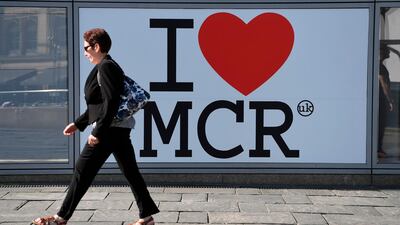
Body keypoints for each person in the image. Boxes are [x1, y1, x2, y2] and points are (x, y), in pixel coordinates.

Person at [31, 28, 159, 225]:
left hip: (109, 130)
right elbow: (97, 105)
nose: (84, 53)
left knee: (82, 171)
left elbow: (111, 102)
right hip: (117, 128)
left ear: (96, 46)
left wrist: (97, 132)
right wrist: (78, 123)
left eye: (86, 48)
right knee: (130, 172)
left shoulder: (107, 67)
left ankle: (60, 218)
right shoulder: (104, 66)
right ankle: (147, 217)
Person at [378, 44, 394, 159]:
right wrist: (389, 100)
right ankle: (378, 148)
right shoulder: (379, 67)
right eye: (387, 51)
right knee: (380, 124)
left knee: (381, 124)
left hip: (380, 99)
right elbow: (383, 83)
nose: (389, 53)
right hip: (381, 99)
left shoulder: (380, 66)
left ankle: (378, 148)